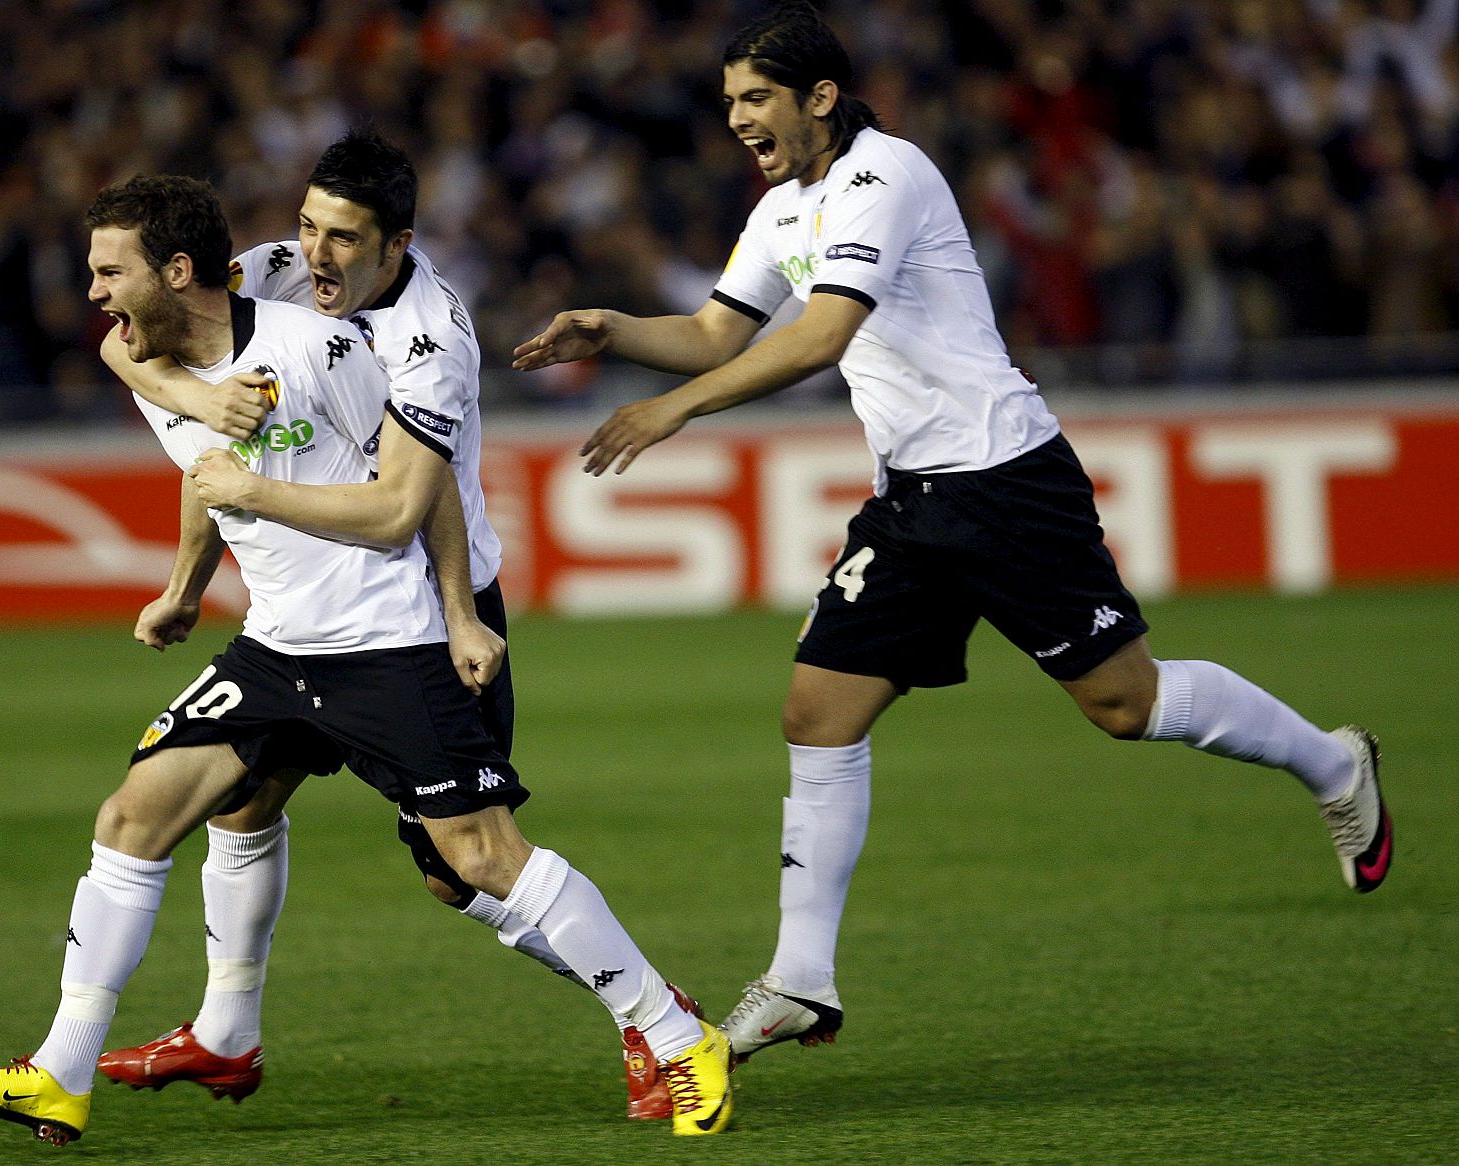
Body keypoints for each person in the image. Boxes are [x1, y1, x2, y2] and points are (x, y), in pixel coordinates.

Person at [513, 1, 1390, 1065]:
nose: (737, 119)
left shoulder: (888, 175)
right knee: (817, 708)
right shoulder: (782, 208)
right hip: (914, 500)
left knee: (1126, 702)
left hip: (1007, 476)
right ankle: (800, 978)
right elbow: (710, 333)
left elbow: (823, 333)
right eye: (730, 102)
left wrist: (676, 409)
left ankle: (1332, 764)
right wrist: (608, 329)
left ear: (819, 97)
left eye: (756, 98)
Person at [0, 174, 733, 1145]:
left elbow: (415, 487)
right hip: (277, 644)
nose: (93, 293)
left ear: (175, 272)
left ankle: (674, 1029)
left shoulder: (330, 346)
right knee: (137, 814)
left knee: (472, 859)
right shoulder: (194, 333)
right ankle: (63, 1070)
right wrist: (185, 585)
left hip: (388, 636)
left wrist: (456, 617)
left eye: (109, 271)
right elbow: (203, 466)